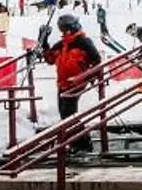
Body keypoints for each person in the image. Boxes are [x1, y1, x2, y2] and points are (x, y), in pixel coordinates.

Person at [41, 13, 104, 152]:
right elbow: (50, 59)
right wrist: (44, 41)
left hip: (77, 82)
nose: (65, 32)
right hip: (62, 83)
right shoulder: (62, 44)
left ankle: (84, 144)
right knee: (65, 115)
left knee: (68, 114)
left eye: (67, 29)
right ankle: (76, 143)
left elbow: (96, 60)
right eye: (62, 30)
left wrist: (89, 76)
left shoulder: (84, 42)